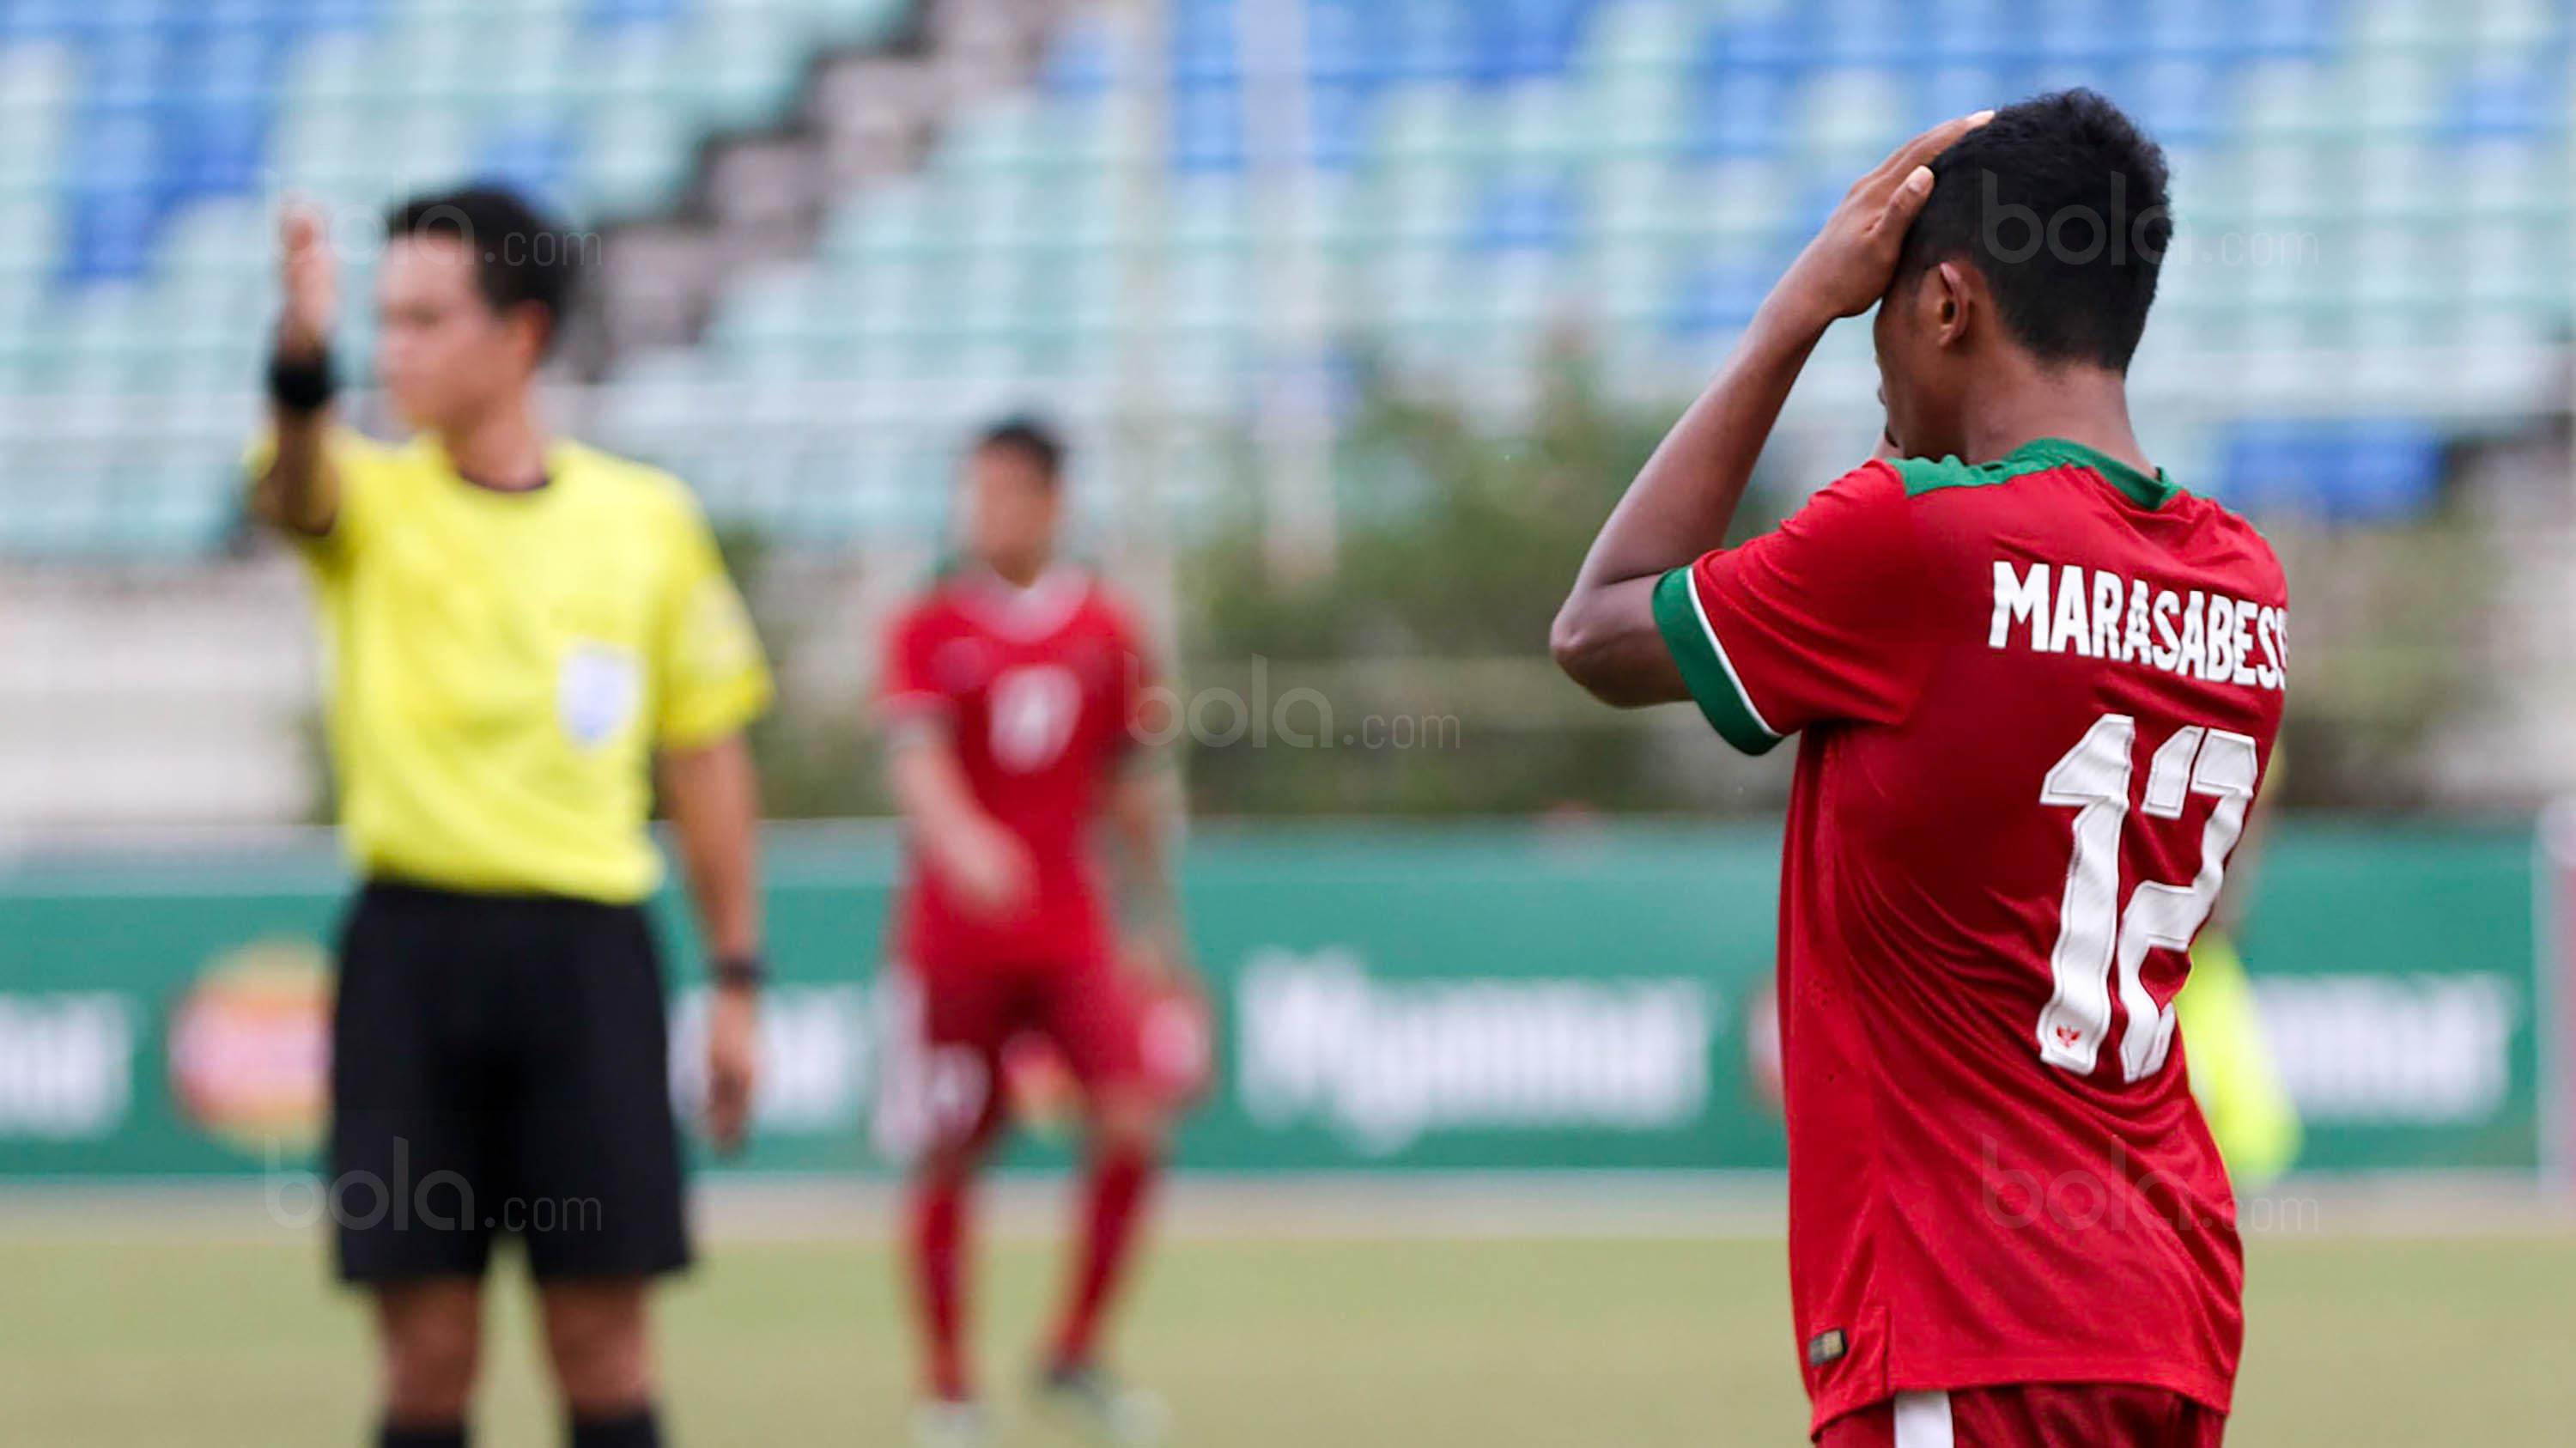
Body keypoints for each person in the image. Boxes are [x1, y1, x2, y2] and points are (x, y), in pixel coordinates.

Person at [1552, 92, 2286, 1447]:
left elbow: (1598, 625)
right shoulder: (2243, 584)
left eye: (1875, 318)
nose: (1872, 372)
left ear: (1946, 302)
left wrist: (1787, 314)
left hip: (1974, 1315)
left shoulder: (1914, 540)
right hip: (2170, 1309)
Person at [249, 186, 774, 1448]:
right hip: (409, 962)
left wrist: (740, 977)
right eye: (383, 320)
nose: (399, 350)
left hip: (586, 960)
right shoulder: (370, 504)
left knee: (602, 1341)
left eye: (428, 319)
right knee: (426, 1347)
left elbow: (705, 759)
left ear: (521, 335)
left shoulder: (643, 521)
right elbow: (295, 489)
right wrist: (299, 358)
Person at [872, 419, 1191, 1447]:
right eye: (974, 492)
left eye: (1006, 492)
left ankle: (1073, 1350)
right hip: (956, 940)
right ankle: (950, 1385)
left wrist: (1156, 925)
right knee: (952, 1152)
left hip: (1072, 931)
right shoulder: (926, 625)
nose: (985, 512)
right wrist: (962, 840)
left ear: (1053, 503)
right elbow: (916, 760)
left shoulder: (1108, 627)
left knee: (1134, 1121)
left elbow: (1132, 788)